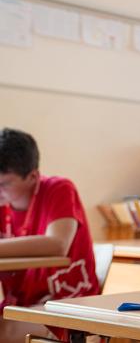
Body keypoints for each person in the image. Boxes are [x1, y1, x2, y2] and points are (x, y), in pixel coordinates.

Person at [0, 128, 99, 340]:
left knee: (4, 330)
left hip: (66, 303)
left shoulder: (59, 189)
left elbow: (57, 244)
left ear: (32, 176)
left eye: (4, 184)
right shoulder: (2, 203)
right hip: (20, 304)